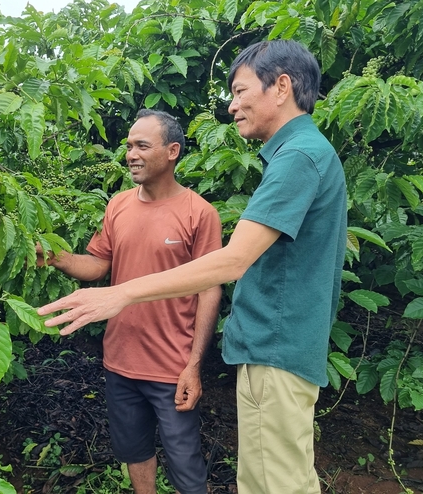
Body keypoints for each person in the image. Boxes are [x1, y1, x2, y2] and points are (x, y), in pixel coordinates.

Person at [38, 40, 348, 494]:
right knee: (277, 479)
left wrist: (121, 292)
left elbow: (233, 260)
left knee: (274, 484)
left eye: (241, 91)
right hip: (272, 349)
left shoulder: (298, 157)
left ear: (281, 87)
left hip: (275, 349)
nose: (233, 105)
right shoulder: (299, 153)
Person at [36, 109, 223, 494]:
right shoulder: (118, 205)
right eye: (128, 146)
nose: (131, 155)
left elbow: (210, 288)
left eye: (142, 146)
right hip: (120, 361)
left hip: (171, 367)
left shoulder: (199, 213)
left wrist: (194, 365)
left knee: (186, 466)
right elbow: (99, 266)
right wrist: (57, 257)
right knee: (135, 453)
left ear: (172, 151)